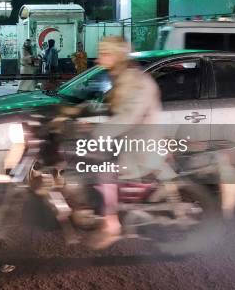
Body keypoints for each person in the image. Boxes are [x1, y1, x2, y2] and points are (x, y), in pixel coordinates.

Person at [64, 36, 165, 249]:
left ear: (117, 56)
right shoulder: (119, 76)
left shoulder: (135, 80)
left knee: (102, 166)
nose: (99, 58)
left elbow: (129, 116)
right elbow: (110, 107)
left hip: (140, 144)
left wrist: (97, 134)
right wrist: (77, 111)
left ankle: (111, 224)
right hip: (127, 138)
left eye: (104, 53)